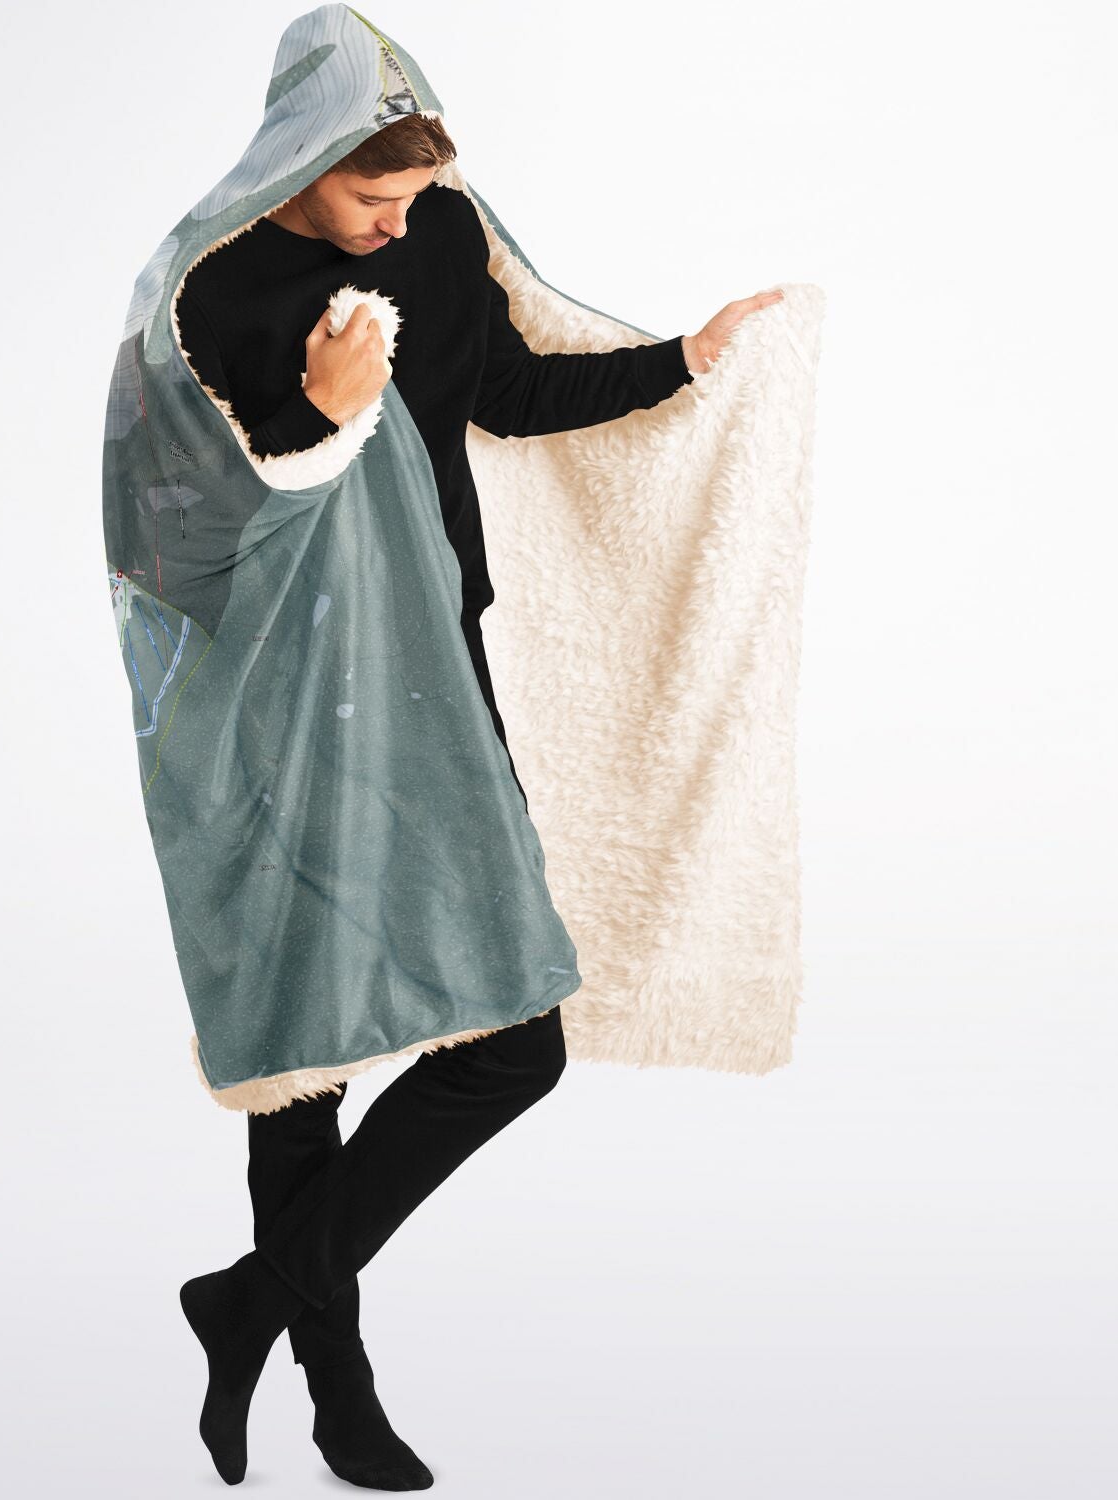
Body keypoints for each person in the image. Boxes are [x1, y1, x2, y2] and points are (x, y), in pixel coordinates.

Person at [172, 111, 783, 1490]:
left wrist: (683, 359)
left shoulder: (438, 231)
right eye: (370, 199)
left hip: (434, 662)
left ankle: (251, 1299)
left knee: (516, 1044)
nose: (399, 225)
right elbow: (184, 536)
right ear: (301, 164)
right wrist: (316, 414)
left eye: (417, 196)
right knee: (304, 1053)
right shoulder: (212, 288)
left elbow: (501, 390)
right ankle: (337, 1393)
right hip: (280, 695)